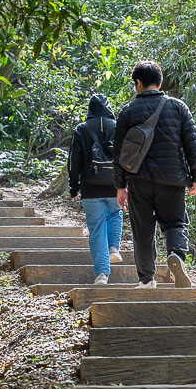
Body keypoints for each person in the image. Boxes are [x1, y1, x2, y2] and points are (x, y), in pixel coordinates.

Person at [113, 61, 196, 289]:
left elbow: (119, 153)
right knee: (175, 223)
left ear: (138, 83)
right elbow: (193, 145)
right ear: (160, 82)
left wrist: (120, 186)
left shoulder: (127, 111)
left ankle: (146, 280)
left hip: (138, 180)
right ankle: (177, 256)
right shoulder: (178, 107)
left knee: (142, 230)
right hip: (172, 180)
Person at [68, 93, 124, 285]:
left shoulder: (81, 129)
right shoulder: (118, 127)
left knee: (97, 229)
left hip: (90, 187)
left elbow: (74, 161)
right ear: (109, 108)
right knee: (115, 214)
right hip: (115, 185)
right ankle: (114, 248)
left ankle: (102, 275)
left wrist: (73, 186)